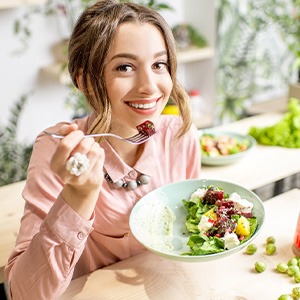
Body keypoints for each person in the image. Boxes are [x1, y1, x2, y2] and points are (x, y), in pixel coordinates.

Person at [5, 0, 201, 298]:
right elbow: (23, 293)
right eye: (125, 67)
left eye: (159, 64)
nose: (149, 86)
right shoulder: (58, 151)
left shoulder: (180, 137)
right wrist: (77, 197)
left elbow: (188, 235)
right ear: (85, 81)